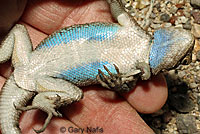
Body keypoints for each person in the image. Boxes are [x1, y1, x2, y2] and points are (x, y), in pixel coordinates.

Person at [0, 0, 168, 133]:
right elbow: (117, 8)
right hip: (27, 62)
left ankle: (41, 100)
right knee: (18, 30)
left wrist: (119, 84)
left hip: (42, 80)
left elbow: (122, 86)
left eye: (184, 61)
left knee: (75, 94)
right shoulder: (135, 31)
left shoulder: (135, 71)